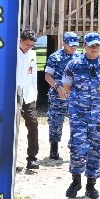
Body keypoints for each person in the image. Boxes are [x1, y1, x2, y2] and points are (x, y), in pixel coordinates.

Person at [59, 32, 100, 199]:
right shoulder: (74, 64)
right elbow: (67, 87)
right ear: (84, 45)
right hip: (79, 114)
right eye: (91, 45)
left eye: (97, 45)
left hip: (98, 116)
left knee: (96, 148)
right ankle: (76, 180)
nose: (94, 48)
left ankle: (91, 184)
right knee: (77, 146)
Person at [43, 31, 80, 161]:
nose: (74, 47)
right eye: (71, 45)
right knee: (55, 122)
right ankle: (54, 148)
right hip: (57, 96)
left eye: (75, 45)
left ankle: (76, 149)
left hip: (75, 97)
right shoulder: (55, 57)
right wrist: (57, 87)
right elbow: (47, 76)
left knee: (77, 123)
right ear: (64, 43)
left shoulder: (80, 57)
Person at [16, 29, 42, 172]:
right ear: (20, 40)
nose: (28, 47)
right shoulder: (12, 53)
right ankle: (10, 158)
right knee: (11, 127)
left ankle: (32, 158)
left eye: (31, 45)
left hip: (28, 95)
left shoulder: (32, 54)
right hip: (13, 93)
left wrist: (35, 94)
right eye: (27, 44)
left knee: (33, 125)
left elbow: (34, 76)